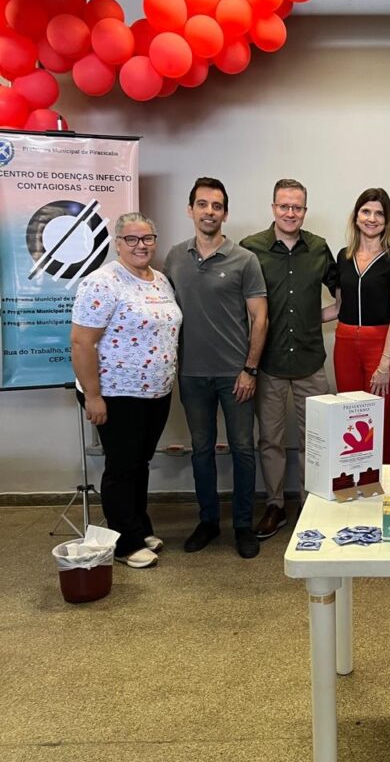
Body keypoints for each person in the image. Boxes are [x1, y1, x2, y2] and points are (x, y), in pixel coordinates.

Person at [164, 178, 268, 559]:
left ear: (225, 213)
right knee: (201, 449)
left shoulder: (245, 260)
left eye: (217, 205)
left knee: (242, 449)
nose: (210, 211)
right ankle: (208, 521)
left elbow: (260, 319)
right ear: (190, 209)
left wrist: (250, 370)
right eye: (203, 204)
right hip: (191, 374)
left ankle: (243, 524)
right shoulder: (174, 258)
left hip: (235, 375)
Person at [70, 212, 181, 569]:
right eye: (131, 239)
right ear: (118, 243)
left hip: (156, 391)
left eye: (147, 238)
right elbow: (81, 343)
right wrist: (93, 395)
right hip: (116, 393)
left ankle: (138, 526)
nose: (140, 245)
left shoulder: (160, 280)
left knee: (140, 463)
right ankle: (124, 542)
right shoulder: (102, 282)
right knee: (121, 466)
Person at [239, 178, 338, 540]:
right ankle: (275, 505)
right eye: (284, 206)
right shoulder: (252, 249)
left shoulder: (319, 248)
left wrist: (321, 317)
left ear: (305, 211)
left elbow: (343, 293)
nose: (291, 213)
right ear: (273, 208)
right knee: (271, 439)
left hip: (311, 359)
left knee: (316, 438)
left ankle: (311, 504)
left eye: (297, 207)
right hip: (269, 364)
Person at [330, 188, 390, 461]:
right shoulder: (344, 255)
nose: (372, 218)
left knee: (381, 416)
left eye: (379, 213)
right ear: (356, 217)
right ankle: (355, 481)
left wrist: (384, 365)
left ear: (387, 220)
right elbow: (338, 308)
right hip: (344, 343)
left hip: (380, 346)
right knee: (350, 416)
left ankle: (384, 487)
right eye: (366, 211)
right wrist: (291, 317)